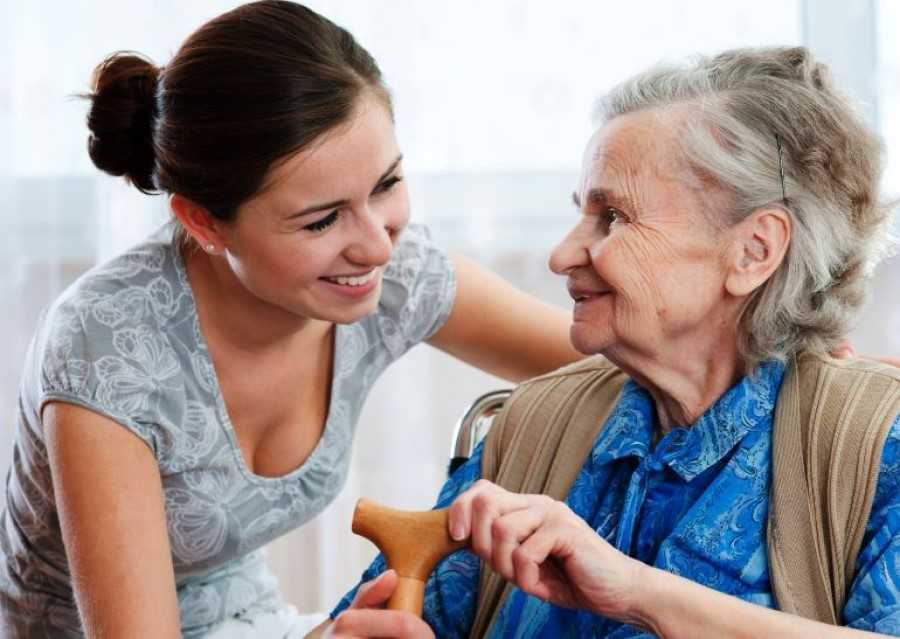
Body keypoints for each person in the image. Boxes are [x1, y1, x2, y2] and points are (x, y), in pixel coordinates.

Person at [0, 2, 585, 637]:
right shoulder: (105, 348)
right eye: (321, 220)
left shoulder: (395, 275)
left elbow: (616, 356)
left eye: (386, 184)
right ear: (203, 222)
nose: (377, 246)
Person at [323, 46, 900, 638]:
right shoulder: (537, 423)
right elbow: (365, 622)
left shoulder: (876, 446)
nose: (561, 255)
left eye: (614, 217)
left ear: (754, 251)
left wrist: (637, 593)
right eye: (583, 214)